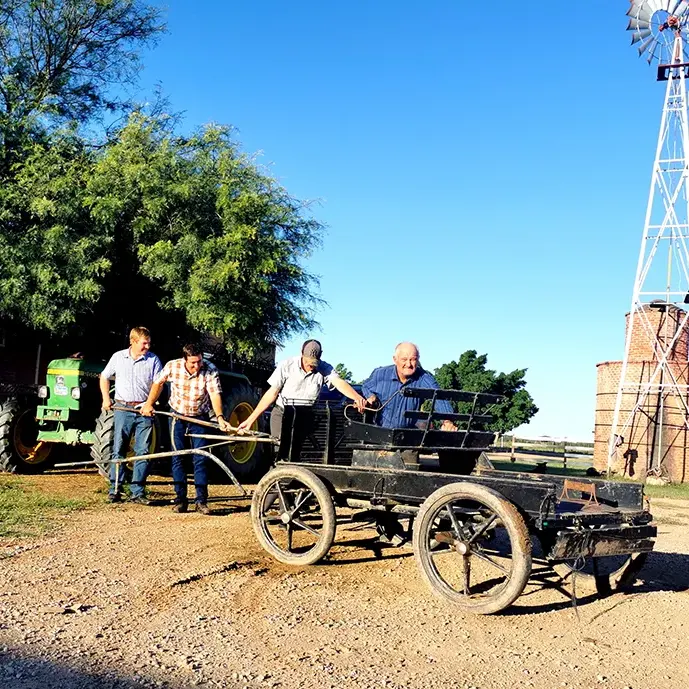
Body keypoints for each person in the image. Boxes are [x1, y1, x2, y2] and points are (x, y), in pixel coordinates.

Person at [141, 344, 230, 515]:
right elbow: (158, 383)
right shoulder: (172, 366)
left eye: (199, 362)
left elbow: (214, 394)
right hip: (178, 416)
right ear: (184, 360)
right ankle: (181, 500)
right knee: (178, 457)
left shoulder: (210, 369)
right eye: (193, 363)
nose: (197, 366)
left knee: (201, 457)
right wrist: (149, 404)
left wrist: (219, 417)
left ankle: (201, 501)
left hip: (200, 417)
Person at [237, 339, 367, 439]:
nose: (310, 365)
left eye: (314, 363)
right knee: (280, 451)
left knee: (301, 453)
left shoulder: (324, 368)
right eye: (307, 362)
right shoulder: (286, 365)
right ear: (301, 353)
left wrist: (357, 397)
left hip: (306, 416)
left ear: (320, 357)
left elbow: (338, 382)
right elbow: (272, 393)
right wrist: (250, 420)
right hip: (282, 414)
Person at [99, 327, 162, 504]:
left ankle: (138, 492)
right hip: (122, 409)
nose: (147, 346)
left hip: (144, 410)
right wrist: (106, 399)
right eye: (144, 343)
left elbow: (158, 384)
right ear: (133, 342)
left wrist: (149, 404)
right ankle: (115, 489)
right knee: (118, 448)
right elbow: (104, 377)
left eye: (149, 343)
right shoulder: (118, 357)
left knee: (142, 451)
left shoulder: (153, 360)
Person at [362, 342, 457, 431]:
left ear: (418, 359)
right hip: (380, 434)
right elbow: (365, 386)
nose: (408, 364)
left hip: (407, 436)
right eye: (404, 359)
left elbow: (439, 397)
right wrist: (370, 396)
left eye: (413, 359)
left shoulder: (424, 378)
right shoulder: (380, 374)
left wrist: (447, 421)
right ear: (395, 359)